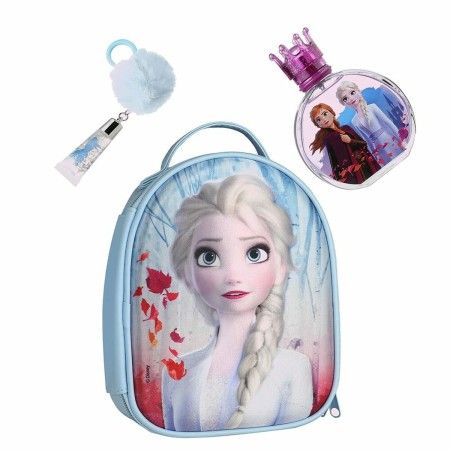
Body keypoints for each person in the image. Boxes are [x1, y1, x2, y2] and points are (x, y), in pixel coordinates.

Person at [162, 174, 313, 431]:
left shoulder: (293, 369)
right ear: (186, 273)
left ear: (280, 266)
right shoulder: (177, 372)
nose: (233, 276)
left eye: (255, 253)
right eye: (209, 257)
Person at [336, 81, 404, 165]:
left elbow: (389, 123)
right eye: (345, 99)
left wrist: (401, 140)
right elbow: (366, 140)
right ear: (344, 103)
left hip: (388, 139)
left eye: (352, 93)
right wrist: (375, 156)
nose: (350, 98)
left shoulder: (372, 107)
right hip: (376, 147)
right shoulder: (354, 120)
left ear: (358, 91)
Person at [310, 103, 380, 184]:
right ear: (318, 125)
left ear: (332, 113)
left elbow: (364, 144)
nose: (323, 119)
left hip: (366, 164)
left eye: (325, 114)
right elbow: (333, 161)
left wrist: (350, 141)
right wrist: (339, 179)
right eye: (318, 120)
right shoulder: (328, 139)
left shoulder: (346, 128)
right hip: (352, 173)